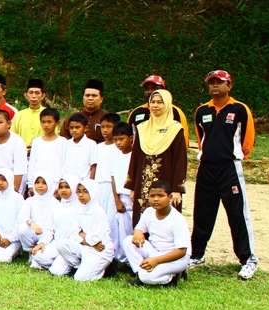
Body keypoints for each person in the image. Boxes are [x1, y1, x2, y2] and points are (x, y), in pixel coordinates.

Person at [191, 70, 258, 280]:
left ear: (229, 85)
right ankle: (197, 255)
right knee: (202, 213)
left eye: (219, 82)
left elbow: (247, 138)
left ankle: (248, 260)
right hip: (206, 168)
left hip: (229, 168)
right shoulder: (202, 110)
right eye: (211, 82)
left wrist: (238, 156)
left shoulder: (239, 109)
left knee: (237, 214)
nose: (215, 86)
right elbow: (200, 136)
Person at [125, 90, 187, 226]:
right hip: (142, 185)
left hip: (167, 182)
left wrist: (177, 189)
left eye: (160, 102)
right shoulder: (142, 128)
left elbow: (180, 161)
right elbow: (135, 159)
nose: (155, 105)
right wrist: (132, 187)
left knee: (166, 222)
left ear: (168, 105)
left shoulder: (175, 129)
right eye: (152, 102)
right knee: (142, 222)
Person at [124, 180, 190, 286]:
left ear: (170, 197)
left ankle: (171, 278)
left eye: (160, 196)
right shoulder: (149, 212)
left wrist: (157, 260)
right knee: (128, 241)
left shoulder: (178, 220)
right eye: (152, 196)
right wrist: (138, 233)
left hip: (175, 258)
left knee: (147, 276)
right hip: (155, 252)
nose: (156, 199)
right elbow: (139, 229)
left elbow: (182, 251)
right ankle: (139, 274)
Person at [55, 180, 114, 281]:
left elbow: (95, 238)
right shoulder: (79, 210)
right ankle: (79, 266)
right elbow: (73, 234)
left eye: (85, 191)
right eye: (79, 191)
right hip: (87, 247)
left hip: (100, 250)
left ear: (93, 192)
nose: (81, 195)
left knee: (79, 278)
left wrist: (81, 233)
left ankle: (105, 269)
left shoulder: (98, 212)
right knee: (61, 244)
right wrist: (89, 241)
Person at [31, 176, 81, 272]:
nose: (63, 190)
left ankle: (74, 264)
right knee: (37, 256)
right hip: (56, 243)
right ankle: (57, 261)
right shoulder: (56, 207)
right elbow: (50, 229)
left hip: (70, 247)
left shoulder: (80, 208)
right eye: (61, 187)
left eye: (67, 187)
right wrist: (42, 243)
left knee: (56, 271)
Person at [127, 75, 189, 147]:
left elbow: (183, 140)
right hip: (142, 156)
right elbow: (128, 137)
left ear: (164, 90)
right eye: (147, 89)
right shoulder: (136, 112)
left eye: (154, 88)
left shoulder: (175, 112)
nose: (149, 92)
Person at [18, 173, 59, 267]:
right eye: (37, 182)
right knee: (22, 228)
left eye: (44, 183)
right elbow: (21, 217)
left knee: (36, 265)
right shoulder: (30, 201)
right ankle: (30, 252)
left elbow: (50, 229)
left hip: (48, 238)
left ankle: (38, 252)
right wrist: (32, 223)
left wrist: (42, 242)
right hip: (34, 234)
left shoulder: (55, 204)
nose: (40, 185)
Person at [109, 123, 135, 264]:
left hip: (132, 196)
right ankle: (122, 259)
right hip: (120, 198)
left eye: (121, 139)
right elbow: (113, 179)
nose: (118, 143)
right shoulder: (115, 156)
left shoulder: (136, 156)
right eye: (115, 140)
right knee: (120, 230)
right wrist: (117, 200)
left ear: (131, 138)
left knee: (133, 229)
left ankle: (133, 260)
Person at [27, 108, 66, 194]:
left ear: (57, 123)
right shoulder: (37, 141)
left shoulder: (63, 142)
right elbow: (32, 163)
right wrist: (30, 184)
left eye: (49, 122)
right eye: (43, 122)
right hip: (38, 183)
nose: (46, 125)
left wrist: (60, 184)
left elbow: (64, 164)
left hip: (55, 183)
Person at [12, 79, 47, 148]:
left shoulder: (49, 114)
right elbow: (13, 137)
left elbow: (53, 137)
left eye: (37, 93)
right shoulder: (19, 115)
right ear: (26, 95)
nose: (33, 96)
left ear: (43, 96)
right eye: (31, 92)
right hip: (22, 154)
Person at [62, 113, 98, 181]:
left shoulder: (91, 144)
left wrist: (90, 182)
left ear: (86, 128)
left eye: (77, 127)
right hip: (68, 182)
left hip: (84, 182)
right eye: (71, 128)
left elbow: (93, 166)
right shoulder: (66, 143)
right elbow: (62, 165)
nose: (74, 130)